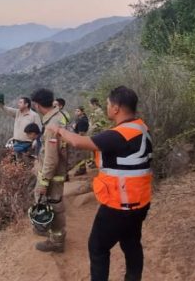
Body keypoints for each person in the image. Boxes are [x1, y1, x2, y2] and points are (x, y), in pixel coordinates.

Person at [47, 86, 152, 281]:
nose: (107, 108)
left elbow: (78, 142)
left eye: (108, 104)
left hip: (118, 205)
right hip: (140, 202)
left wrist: (59, 129)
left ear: (116, 108)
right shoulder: (141, 128)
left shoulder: (118, 135)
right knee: (131, 243)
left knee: (97, 248)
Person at [31, 88, 69, 252]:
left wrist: (43, 182)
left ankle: (57, 241)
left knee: (54, 205)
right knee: (55, 203)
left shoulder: (51, 126)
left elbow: (51, 159)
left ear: (37, 105)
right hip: (59, 170)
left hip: (53, 175)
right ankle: (55, 236)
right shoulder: (60, 115)